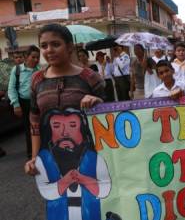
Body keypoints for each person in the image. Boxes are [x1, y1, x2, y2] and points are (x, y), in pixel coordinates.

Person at [24, 23, 105, 176]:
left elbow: (113, 115)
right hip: (52, 157)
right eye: (44, 46)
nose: (49, 50)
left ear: (69, 47)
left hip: (90, 155)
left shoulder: (90, 78)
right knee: (60, 199)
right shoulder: (37, 80)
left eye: (55, 44)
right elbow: (35, 123)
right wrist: (35, 158)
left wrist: (97, 102)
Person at [35, 108, 111, 220]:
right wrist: (63, 182)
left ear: (82, 130)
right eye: (56, 126)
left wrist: (83, 179)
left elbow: (105, 188)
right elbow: (45, 191)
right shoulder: (43, 159)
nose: (65, 133)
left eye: (73, 125)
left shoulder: (94, 158)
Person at [7, 45, 41, 158]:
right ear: (26, 57)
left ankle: (43, 151)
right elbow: (11, 88)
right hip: (24, 103)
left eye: (38, 57)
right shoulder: (17, 70)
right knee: (29, 129)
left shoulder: (40, 70)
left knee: (40, 126)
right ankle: (31, 154)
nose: (36, 60)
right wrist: (16, 105)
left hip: (38, 103)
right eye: (33, 57)